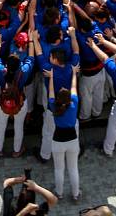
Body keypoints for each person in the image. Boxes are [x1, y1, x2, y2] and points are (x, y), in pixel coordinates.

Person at [0, 31, 34, 158]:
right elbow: (31, 58)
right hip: (20, 102)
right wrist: (31, 41)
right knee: (19, 126)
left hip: (3, 101)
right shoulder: (23, 71)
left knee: (1, 126)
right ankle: (17, 150)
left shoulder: (1, 70)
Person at [47, 62, 80, 201]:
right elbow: (73, 86)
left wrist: (51, 77)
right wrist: (74, 73)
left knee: (58, 169)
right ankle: (76, 194)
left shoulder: (54, 106)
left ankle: (59, 193)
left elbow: (51, 91)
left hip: (58, 140)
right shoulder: (74, 103)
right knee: (73, 169)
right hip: (72, 139)